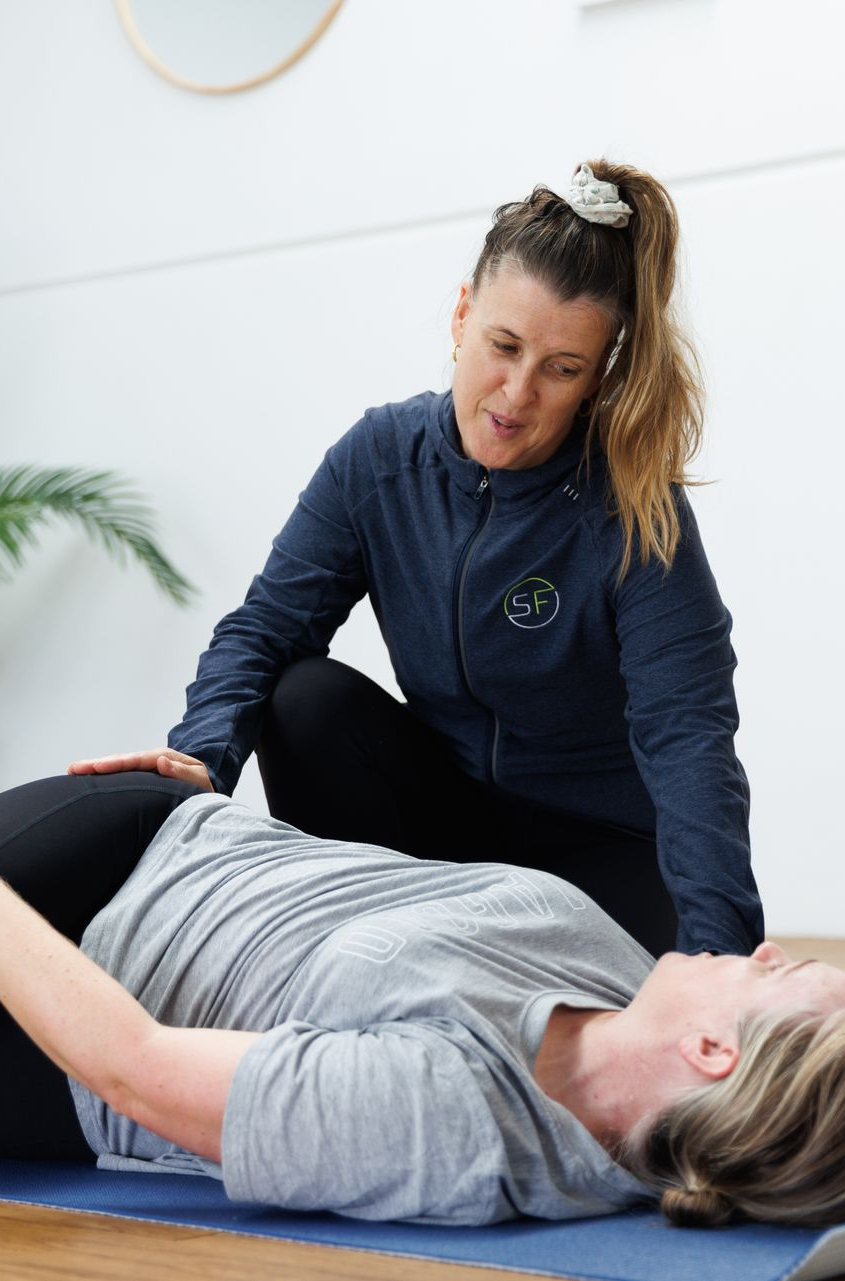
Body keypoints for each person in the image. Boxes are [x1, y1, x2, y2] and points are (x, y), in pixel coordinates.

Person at [68, 160, 763, 959]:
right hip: (444, 827)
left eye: (560, 368)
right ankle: (354, 929)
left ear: (596, 377)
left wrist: (721, 960)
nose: (515, 392)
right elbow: (262, 631)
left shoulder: (633, 508)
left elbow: (688, 738)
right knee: (304, 696)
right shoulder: (379, 461)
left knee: (643, 1012)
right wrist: (197, 766)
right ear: (463, 315)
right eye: (502, 345)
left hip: (597, 849)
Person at [1, 772, 844, 1230]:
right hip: (172, 828)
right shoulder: (626, 990)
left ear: (712, 1051)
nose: (762, 950)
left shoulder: (455, 1127)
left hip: (59, 1005)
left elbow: (132, 1067)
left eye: (776, 975)